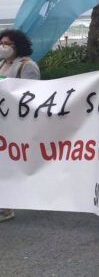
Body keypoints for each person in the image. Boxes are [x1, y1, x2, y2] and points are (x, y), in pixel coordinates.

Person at [0, 29, 41, 223]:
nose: (3, 47)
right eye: (1, 43)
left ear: (18, 46)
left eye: (8, 44)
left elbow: (31, 95)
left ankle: (6, 206)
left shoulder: (27, 65)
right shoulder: (2, 64)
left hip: (15, 122)